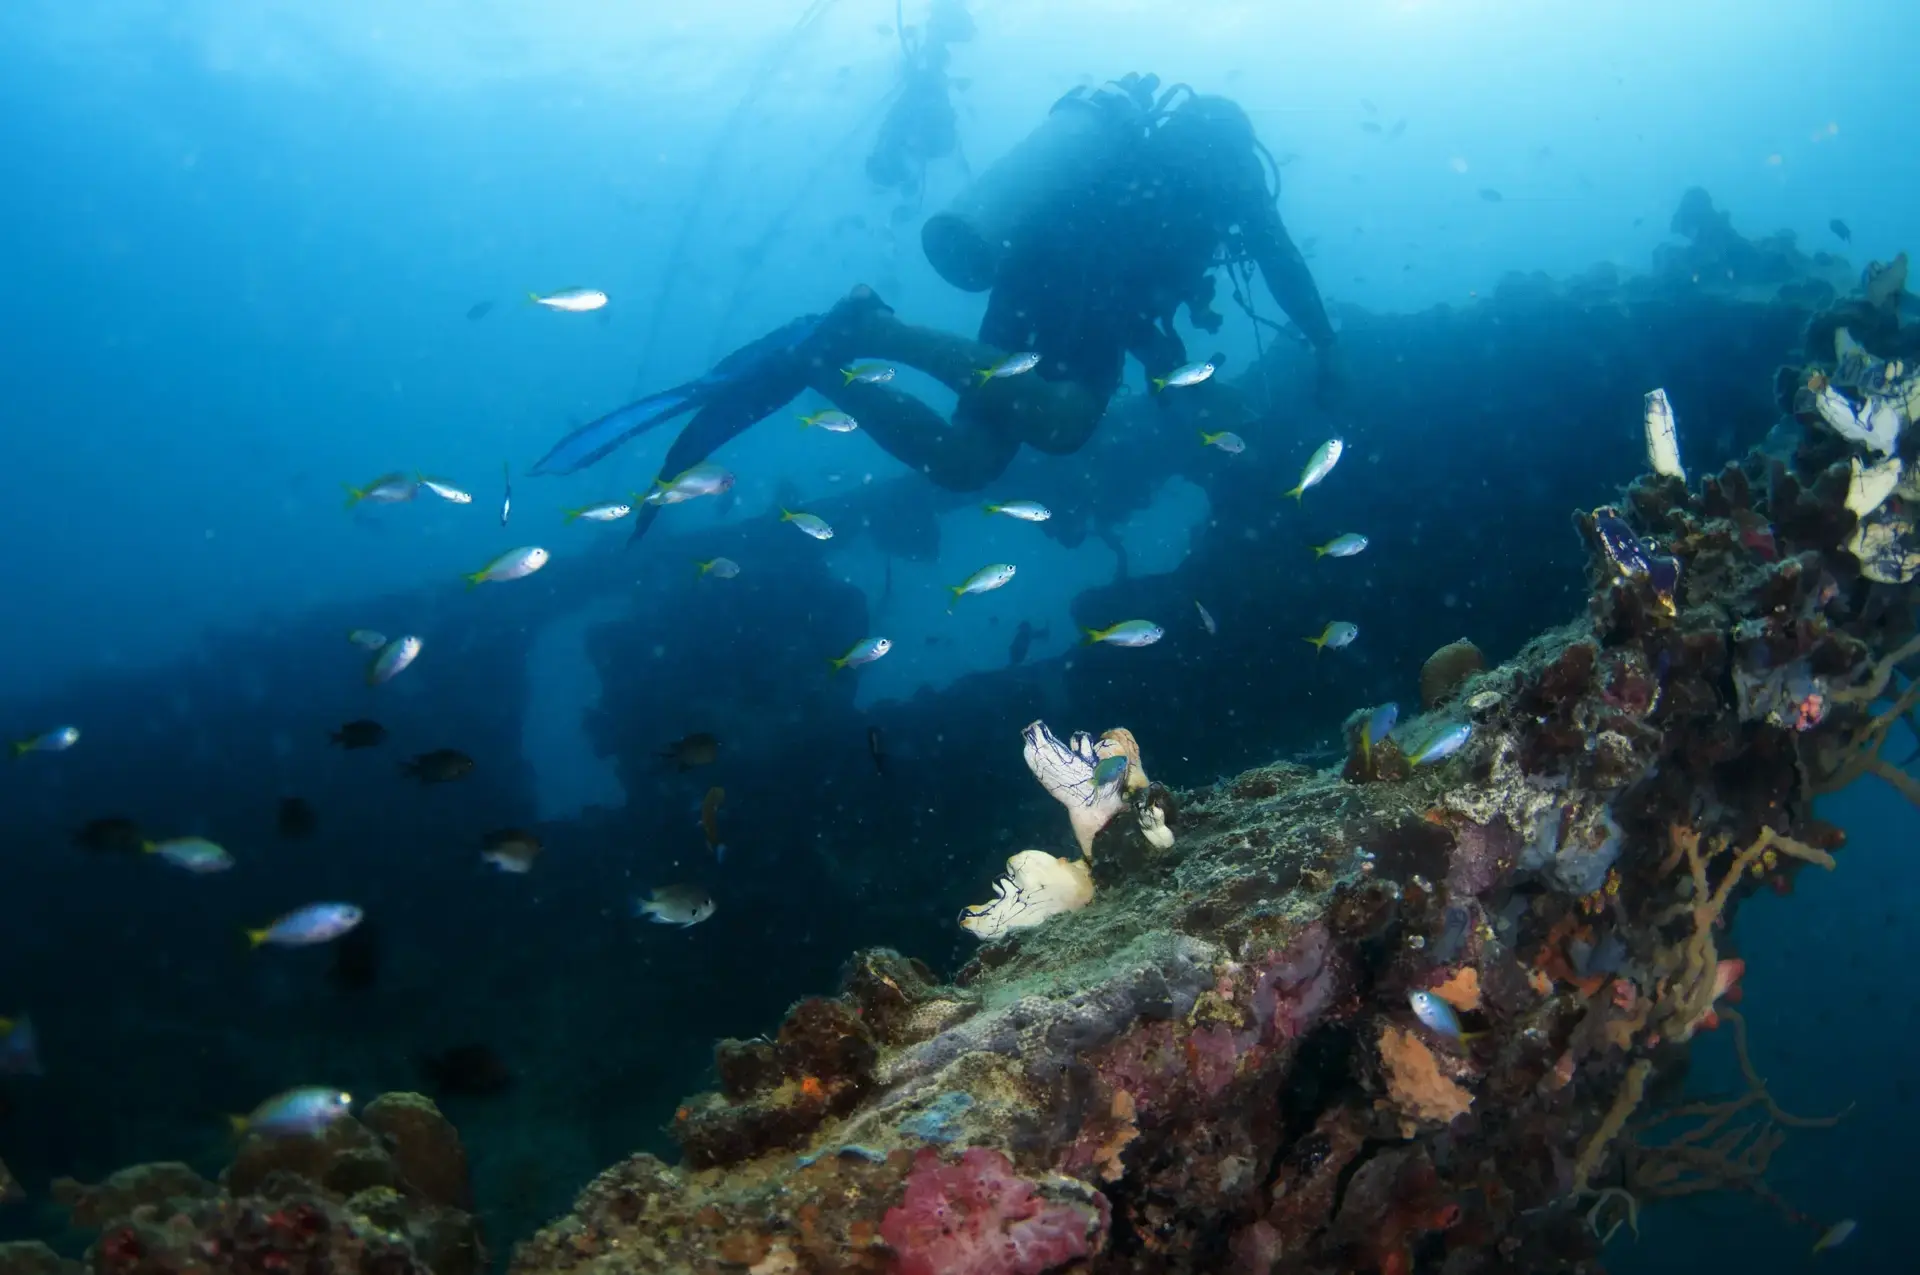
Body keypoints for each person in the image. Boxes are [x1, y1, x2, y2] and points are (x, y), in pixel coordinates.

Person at [531, 74, 1339, 544]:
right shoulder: (1227, 176)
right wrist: (1328, 349)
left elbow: (1150, 284)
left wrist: (1161, 353)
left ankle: (821, 359)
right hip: (1086, 292)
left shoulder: (1149, 170)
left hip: (1033, 274)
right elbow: (1282, 264)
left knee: (967, 462)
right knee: (1059, 426)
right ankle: (872, 330)